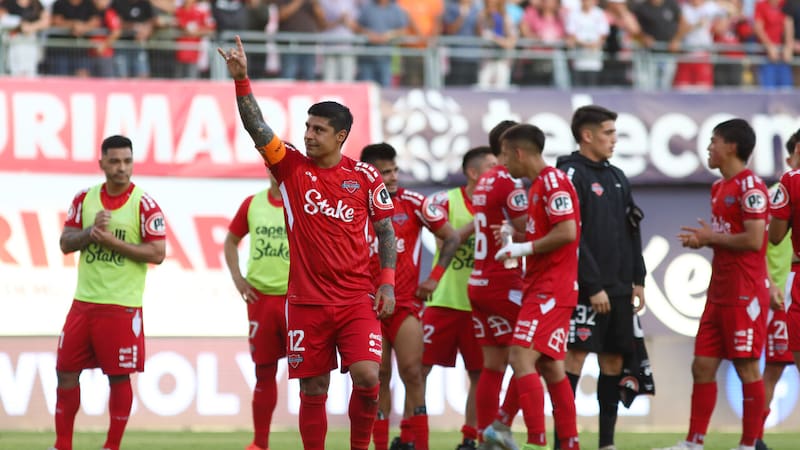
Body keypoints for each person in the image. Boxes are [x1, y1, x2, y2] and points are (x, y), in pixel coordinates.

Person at [218, 36, 397, 450]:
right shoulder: (291, 167)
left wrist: (386, 282)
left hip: (356, 299)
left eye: (319, 129)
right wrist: (242, 81)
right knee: (313, 387)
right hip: (306, 303)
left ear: (341, 136)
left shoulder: (366, 177)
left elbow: (386, 230)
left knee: (369, 375)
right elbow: (256, 127)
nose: (309, 135)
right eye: (307, 127)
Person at [657, 118, 769, 450]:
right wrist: (707, 240)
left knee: (747, 365)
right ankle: (694, 441)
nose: (708, 148)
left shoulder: (752, 189)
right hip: (718, 291)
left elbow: (753, 240)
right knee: (702, 364)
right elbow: (725, 238)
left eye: (713, 141)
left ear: (731, 147)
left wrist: (711, 238)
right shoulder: (719, 188)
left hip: (744, 291)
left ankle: (750, 444)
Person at [52, 135, 167, 450]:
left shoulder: (144, 204)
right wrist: (90, 233)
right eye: (115, 161)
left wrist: (112, 242)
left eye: (127, 161)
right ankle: (62, 444)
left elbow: (157, 253)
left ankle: (112, 445)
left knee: (118, 378)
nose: (122, 168)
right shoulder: (84, 199)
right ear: (102, 162)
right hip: (83, 304)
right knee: (64, 372)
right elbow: (65, 243)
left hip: (121, 307)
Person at [555, 105, 646, 450]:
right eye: (608, 133)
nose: (614, 140)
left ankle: (606, 444)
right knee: (574, 358)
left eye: (615, 133)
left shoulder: (618, 176)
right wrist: (592, 285)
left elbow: (632, 229)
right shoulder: (568, 175)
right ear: (587, 135)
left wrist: (639, 278)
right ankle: (564, 441)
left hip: (621, 287)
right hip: (585, 290)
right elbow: (572, 237)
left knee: (614, 361)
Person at [360, 143, 460, 450]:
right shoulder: (351, 206)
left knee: (413, 373)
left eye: (394, 170)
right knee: (377, 378)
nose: (392, 177)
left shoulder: (415, 202)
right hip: (365, 306)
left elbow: (451, 236)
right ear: (369, 174)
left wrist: (434, 278)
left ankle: (418, 443)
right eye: (384, 172)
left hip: (404, 304)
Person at [494, 123, 582, 450]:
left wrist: (522, 249)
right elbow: (546, 235)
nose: (503, 164)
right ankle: (570, 443)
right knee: (550, 366)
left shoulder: (554, 182)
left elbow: (567, 232)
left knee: (519, 356)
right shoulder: (538, 186)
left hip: (552, 288)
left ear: (519, 152)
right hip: (542, 285)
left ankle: (536, 441)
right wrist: (516, 238)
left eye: (504, 155)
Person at [421, 146, 498, 450]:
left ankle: (470, 437)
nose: (498, 170)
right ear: (473, 173)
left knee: (479, 373)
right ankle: (414, 434)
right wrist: (478, 220)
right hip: (444, 300)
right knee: (419, 370)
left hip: (479, 305)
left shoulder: (501, 205)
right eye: (492, 166)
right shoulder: (445, 200)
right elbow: (446, 238)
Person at [469, 120, 529, 450]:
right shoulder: (508, 183)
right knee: (534, 355)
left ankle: (484, 438)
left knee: (492, 366)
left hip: (479, 281)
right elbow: (526, 231)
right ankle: (502, 426)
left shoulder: (487, 181)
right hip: (505, 282)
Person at [223, 169, 289, 450]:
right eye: (272, 164)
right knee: (264, 372)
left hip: (295, 300)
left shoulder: (301, 203)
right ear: (266, 168)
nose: (277, 170)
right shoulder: (253, 203)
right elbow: (230, 241)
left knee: (311, 376)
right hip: (260, 299)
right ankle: (260, 443)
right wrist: (238, 279)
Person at [762, 128, 800, 450]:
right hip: (779, 293)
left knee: (774, 368)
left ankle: (752, 438)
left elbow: (771, 238)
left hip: (790, 289)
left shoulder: (787, 186)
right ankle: (754, 437)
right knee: (773, 368)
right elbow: (759, 245)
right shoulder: (778, 189)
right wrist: (770, 282)